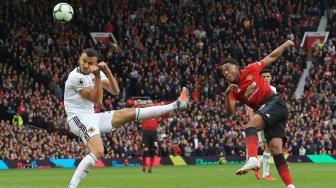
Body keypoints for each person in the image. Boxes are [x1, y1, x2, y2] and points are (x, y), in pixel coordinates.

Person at [64, 49, 190, 188]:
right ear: (79, 59)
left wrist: (107, 71)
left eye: (90, 62)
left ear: (96, 63)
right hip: (78, 119)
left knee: (129, 113)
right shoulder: (75, 77)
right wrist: (98, 76)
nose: (86, 65)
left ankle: (177, 104)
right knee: (98, 151)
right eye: (84, 61)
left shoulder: (95, 73)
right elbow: (98, 100)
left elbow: (115, 91)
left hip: (92, 117)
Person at [222, 40, 295, 188]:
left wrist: (286, 44)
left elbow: (271, 57)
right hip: (270, 113)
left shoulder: (250, 69)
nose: (226, 73)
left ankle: (253, 159)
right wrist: (227, 95)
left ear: (237, 68)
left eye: (228, 69)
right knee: (276, 150)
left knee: (250, 126)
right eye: (224, 72)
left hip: (274, 103)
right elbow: (229, 112)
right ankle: (290, 186)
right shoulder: (233, 90)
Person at [247, 69, 276, 181]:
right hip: (260, 121)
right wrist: (252, 121)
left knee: (271, 146)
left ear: (271, 78)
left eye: (268, 76)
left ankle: (259, 167)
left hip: (271, 120)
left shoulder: (273, 89)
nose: (266, 78)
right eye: (264, 76)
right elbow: (250, 106)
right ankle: (265, 173)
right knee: (270, 146)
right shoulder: (256, 89)